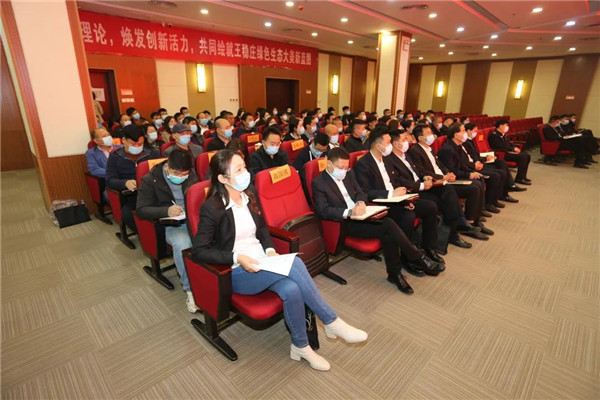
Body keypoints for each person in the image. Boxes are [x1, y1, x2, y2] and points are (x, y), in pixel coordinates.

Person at [192, 150, 367, 371]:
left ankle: (300, 347)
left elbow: (262, 229)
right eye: (238, 169)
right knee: (295, 263)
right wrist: (237, 257)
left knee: (291, 289)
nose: (245, 172)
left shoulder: (249, 194)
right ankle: (331, 321)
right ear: (222, 178)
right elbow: (199, 251)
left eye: (244, 166)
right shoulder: (212, 208)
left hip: (263, 262)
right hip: (236, 271)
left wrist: (270, 250)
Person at [312, 147, 442, 294]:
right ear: (329, 164)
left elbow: (361, 192)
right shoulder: (319, 183)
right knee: (388, 225)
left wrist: (360, 202)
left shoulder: (349, 173)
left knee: (388, 231)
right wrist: (349, 212)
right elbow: (323, 210)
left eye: (346, 167)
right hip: (345, 222)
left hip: (363, 214)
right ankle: (415, 258)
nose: (344, 171)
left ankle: (396, 274)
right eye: (340, 167)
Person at [354, 128, 447, 271]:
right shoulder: (363, 164)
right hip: (381, 202)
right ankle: (408, 257)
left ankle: (429, 248)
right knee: (408, 216)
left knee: (430, 207)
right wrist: (391, 194)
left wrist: (405, 200)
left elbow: (395, 181)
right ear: (378, 146)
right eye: (388, 142)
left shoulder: (386, 160)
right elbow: (366, 192)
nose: (391, 145)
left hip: (397, 199)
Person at [387, 131, 481, 248]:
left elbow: (419, 171)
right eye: (404, 139)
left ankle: (456, 228)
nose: (408, 141)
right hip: (413, 190)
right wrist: (423, 183)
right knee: (444, 200)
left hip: (424, 184)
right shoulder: (391, 159)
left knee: (448, 191)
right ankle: (455, 229)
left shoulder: (405, 155)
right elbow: (400, 180)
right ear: (396, 144)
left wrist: (426, 177)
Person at [136, 149, 199, 313]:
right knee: (183, 243)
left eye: (184, 174)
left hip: (192, 219)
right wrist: (166, 211)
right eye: (177, 173)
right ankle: (191, 290)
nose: (181, 177)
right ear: (167, 167)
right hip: (169, 224)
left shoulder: (191, 174)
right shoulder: (150, 179)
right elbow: (141, 209)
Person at [408, 125, 490, 244]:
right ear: (420, 137)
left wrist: (448, 173)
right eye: (428, 133)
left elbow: (440, 165)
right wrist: (442, 177)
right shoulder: (415, 151)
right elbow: (422, 172)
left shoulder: (429, 149)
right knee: (457, 190)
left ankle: (473, 222)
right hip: (434, 183)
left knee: (475, 185)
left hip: (444, 180)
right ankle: (459, 226)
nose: (432, 135)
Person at [438, 123, 503, 214]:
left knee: (480, 178)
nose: (465, 133)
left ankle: (479, 211)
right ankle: (472, 217)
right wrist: (469, 174)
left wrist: (472, 172)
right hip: (452, 178)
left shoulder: (458, 146)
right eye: (463, 130)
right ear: (456, 134)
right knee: (476, 186)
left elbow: (462, 164)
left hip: (462, 172)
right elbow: (452, 170)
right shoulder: (448, 149)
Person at [105, 124, 160, 233]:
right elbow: (110, 180)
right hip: (133, 195)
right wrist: (125, 183)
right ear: (124, 140)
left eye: (140, 144)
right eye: (133, 144)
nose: (137, 147)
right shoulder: (115, 157)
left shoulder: (152, 153)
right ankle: (146, 235)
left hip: (154, 191)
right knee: (128, 214)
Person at [464, 123, 525, 196]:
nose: (476, 133)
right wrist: (484, 159)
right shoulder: (465, 142)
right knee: (500, 172)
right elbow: (471, 157)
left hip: (479, 159)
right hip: (476, 163)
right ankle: (505, 191)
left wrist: (487, 156)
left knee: (501, 162)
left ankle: (510, 185)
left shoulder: (470, 140)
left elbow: (475, 154)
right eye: (475, 131)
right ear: (468, 131)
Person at [488, 119, 532, 185]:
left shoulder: (503, 135)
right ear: (500, 126)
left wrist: (514, 147)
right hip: (502, 154)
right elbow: (500, 147)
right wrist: (512, 149)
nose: (507, 127)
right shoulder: (494, 135)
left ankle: (523, 176)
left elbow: (509, 143)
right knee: (523, 157)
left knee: (527, 155)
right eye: (506, 125)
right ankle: (519, 178)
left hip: (508, 152)